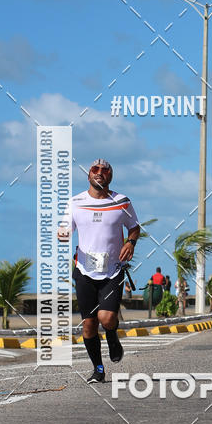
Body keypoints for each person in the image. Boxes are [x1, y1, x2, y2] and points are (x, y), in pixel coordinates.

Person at [58, 159, 140, 383]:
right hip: (84, 270)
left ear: (110, 176)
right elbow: (65, 229)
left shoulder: (121, 201)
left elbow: (134, 227)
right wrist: (62, 234)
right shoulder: (75, 202)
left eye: (105, 170)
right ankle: (98, 369)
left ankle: (112, 336)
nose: (100, 173)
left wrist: (130, 243)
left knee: (107, 317)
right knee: (89, 324)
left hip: (113, 270)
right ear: (89, 175)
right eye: (95, 169)